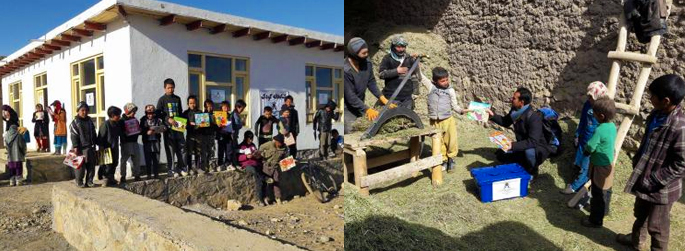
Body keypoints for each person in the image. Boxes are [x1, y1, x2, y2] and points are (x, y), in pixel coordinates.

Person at [617, 74, 685, 250]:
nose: (650, 98)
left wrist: (654, 179)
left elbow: (681, 164)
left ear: (666, 101)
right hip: (645, 178)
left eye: (653, 96)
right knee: (640, 213)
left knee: (658, 227)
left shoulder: (680, 127)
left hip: (661, 187)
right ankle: (636, 241)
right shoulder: (656, 114)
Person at [487, 87, 551, 179]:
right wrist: (492, 115)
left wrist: (512, 146)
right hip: (523, 145)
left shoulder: (534, 117)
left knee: (529, 152)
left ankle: (533, 170)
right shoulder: (515, 111)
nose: (511, 99)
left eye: (514, 98)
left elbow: (533, 142)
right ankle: (523, 161)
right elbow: (505, 121)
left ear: (522, 102)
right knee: (501, 156)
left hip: (537, 149)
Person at [562, 81, 606, 194]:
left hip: (592, 143)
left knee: (585, 167)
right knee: (579, 161)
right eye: (589, 96)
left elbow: (601, 130)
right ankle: (578, 183)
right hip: (583, 139)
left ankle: (575, 187)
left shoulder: (601, 110)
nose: (589, 98)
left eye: (591, 97)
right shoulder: (587, 105)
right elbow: (582, 121)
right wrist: (577, 134)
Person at [578, 97, 616, 228]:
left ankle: (595, 220)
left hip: (599, 166)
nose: (593, 116)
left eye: (594, 114)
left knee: (597, 193)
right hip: (609, 163)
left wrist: (586, 152)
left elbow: (591, 145)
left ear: (601, 115)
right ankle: (604, 211)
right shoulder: (612, 126)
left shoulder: (599, 130)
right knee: (607, 189)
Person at [419, 67, 467, 172]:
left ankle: (451, 159)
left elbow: (455, 106)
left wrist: (462, 111)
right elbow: (421, 77)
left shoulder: (450, 91)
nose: (446, 82)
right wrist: (416, 65)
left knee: (451, 141)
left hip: (447, 120)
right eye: (442, 81)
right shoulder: (431, 87)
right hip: (434, 121)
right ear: (435, 81)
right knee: (438, 142)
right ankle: (443, 160)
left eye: (446, 80)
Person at [344, 37, 386, 133]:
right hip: (347, 108)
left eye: (367, 52)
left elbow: (371, 82)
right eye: (363, 53)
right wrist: (367, 109)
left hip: (360, 104)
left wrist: (382, 98)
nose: (366, 55)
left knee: (364, 131)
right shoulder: (345, 70)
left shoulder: (367, 63)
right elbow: (350, 97)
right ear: (354, 54)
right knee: (351, 131)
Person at [378, 35, 420, 109]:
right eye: (398, 47)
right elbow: (381, 74)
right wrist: (396, 71)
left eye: (403, 46)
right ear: (393, 46)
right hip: (392, 97)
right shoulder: (387, 58)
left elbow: (414, 76)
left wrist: (415, 92)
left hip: (407, 98)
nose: (401, 49)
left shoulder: (409, 59)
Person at [156, 78, 187, 177]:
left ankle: (181, 167)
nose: (171, 90)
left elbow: (181, 112)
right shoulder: (162, 99)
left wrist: (183, 122)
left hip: (178, 127)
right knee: (170, 149)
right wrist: (167, 119)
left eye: (172, 88)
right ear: (164, 88)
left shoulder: (177, 98)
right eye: (168, 88)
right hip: (168, 129)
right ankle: (171, 169)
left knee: (182, 147)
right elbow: (158, 113)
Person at [70, 101, 97, 188]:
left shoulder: (89, 121)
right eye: (82, 110)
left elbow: (93, 132)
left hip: (90, 147)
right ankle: (79, 181)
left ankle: (89, 181)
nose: (84, 112)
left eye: (86, 110)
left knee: (91, 165)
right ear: (78, 111)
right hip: (79, 147)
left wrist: (95, 142)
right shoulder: (75, 122)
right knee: (79, 166)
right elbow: (73, 135)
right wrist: (75, 146)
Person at [237, 130, 266, 207]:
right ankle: (260, 199)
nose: (251, 140)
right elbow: (238, 158)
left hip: (256, 163)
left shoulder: (253, 145)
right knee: (258, 176)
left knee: (264, 174)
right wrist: (246, 156)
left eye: (252, 139)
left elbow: (256, 154)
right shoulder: (241, 146)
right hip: (247, 165)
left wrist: (258, 156)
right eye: (249, 139)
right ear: (245, 138)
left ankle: (265, 196)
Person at [97, 106, 122, 187]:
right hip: (106, 148)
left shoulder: (117, 124)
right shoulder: (105, 125)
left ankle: (111, 178)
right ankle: (105, 179)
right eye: (118, 115)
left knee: (115, 162)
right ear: (112, 115)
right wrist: (101, 148)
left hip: (114, 147)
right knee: (107, 165)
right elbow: (101, 137)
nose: (119, 117)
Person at [260, 133, 287, 205]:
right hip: (267, 167)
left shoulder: (284, 148)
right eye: (279, 143)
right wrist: (263, 155)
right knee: (267, 183)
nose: (279, 145)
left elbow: (285, 158)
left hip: (275, 167)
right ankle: (266, 198)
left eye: (281, 143)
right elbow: (260, 149)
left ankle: (278, 198)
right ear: (276, 141)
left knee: (276, 181)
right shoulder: (269, 144)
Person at [119, 103, 142, 182]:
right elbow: (120, 132)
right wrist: (124, 133)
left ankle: (137, 175)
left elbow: (138, 130)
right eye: (133, 111)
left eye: (135, 111)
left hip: (134, 142)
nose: (134, 113)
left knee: (136, 159)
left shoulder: (135, 120)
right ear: (127, 111)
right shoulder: (121, 121)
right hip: (126, 143)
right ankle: (123, 176)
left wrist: (139, 130)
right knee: (124, 160)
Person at [140, 105, 164, 179]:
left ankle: (156, 174)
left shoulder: (158, 120)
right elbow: (140, 130)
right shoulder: (143, 119)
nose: (150, 115)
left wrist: (158, 130)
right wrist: (146, 132)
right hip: (147, 141)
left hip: (156, 141)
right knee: (148, 159)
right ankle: (149, 174)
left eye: (151, 113)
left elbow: (162, 128)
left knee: (156, 158)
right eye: (148, 113)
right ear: (146, 113)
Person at [182, 95, 203, 175]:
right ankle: (190, 168)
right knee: (189, 152)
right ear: (188, 104)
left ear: (196, 103)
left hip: (198, 135)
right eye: (190, 103)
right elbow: (182, 124)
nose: (192, 105)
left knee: (198, 152)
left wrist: (202, 125)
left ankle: (198, 168)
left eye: (194, 103)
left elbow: (204, 124)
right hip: (190, 135)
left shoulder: (200, 112)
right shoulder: (185, 113)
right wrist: (189, 124)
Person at [200, 100, 218, 172]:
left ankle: (211, 165)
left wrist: (216, 124)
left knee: (211, 151)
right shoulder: (202, 115)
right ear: (205, 107)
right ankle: (204, 166)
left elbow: (216, 127)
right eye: (208, 106)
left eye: (211, 106)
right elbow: (200, 126)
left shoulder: (214, 115)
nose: (210, 108)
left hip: (211, 135)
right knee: (204, 151)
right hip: (204, 135)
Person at [216, 101, 233, 170]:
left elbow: (232, 125)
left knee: (229, 150)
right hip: (221, 135)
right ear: (221, 107)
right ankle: (220, 164)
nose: (226, 108)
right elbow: (217, 126)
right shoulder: (219, 115)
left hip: (228, 135)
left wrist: (232, 129)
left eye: (227, 107)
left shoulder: (230, 115)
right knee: (221, 150)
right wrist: (219, 126)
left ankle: (228, 164)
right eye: (224, 107)